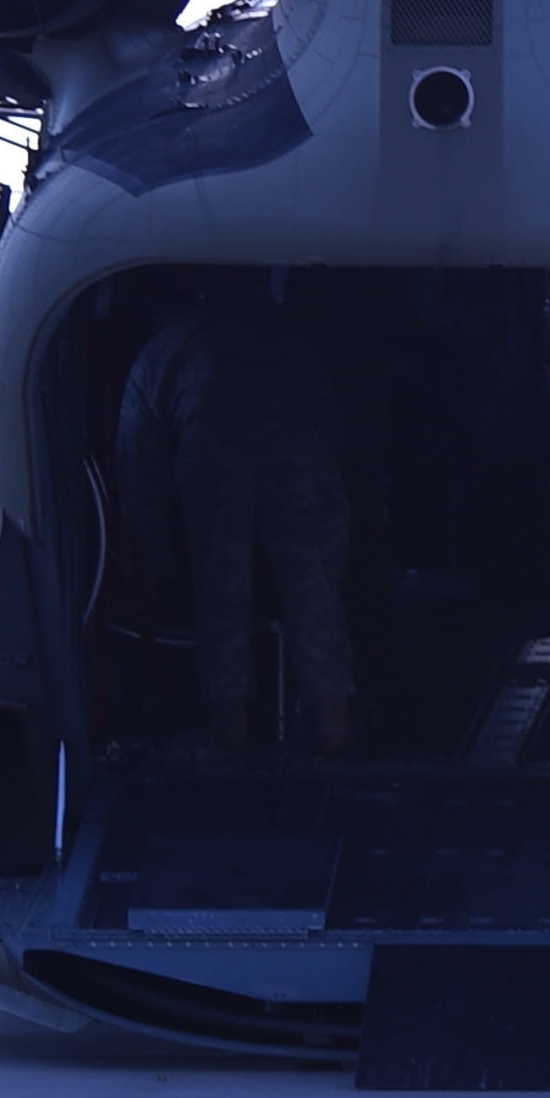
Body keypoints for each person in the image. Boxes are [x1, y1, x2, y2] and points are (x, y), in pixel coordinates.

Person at [114, 298, 358, 759]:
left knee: (220, 588)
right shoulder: (275, 324)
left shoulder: (155, 356)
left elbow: (138, 467)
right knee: (314, 584)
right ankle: (334, 722)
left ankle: (231, 727)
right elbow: (331, 413)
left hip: (213, 442)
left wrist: (154, 554)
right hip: (299, 437)